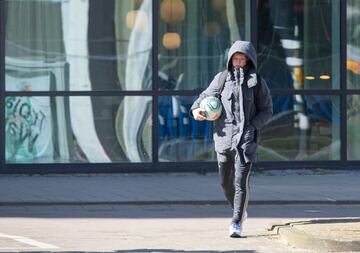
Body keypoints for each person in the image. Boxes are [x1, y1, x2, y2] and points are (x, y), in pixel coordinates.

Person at [190, 40, 273, 238]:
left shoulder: (257, 82)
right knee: (224, 182)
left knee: (240, 181)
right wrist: (197, 111)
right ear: (230, 60)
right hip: (223, 138)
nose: (238, 62)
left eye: (241, 59)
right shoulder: (221, 79)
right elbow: (202, 98)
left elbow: (267, 111)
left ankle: (236, 222)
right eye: (235, 58)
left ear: (248, 60)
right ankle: (240, 210)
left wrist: (251, 128)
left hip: (246, 139)